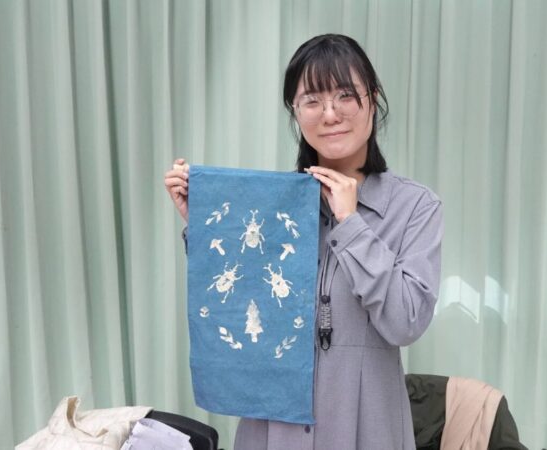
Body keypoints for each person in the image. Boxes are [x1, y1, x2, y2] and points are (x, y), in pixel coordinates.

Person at [164, 34, 443, 450]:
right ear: (295, 111)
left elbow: (406, 322)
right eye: (312, 100)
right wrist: (208, 228)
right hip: (272, 429)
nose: (330, 114)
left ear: (373, 100)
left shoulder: (415, 206)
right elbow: (239, 309)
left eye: (345, 95)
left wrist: (351, 224)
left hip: (366, 428)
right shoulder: (270, 205)